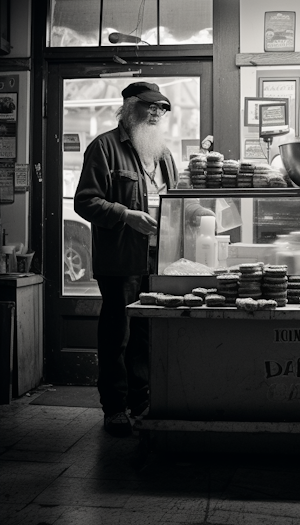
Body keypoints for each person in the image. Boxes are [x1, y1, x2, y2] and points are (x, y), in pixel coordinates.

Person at [74, 81, 178, 436]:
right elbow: (85, 202)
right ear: (129, 107)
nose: (156, 114)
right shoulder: (103, 147)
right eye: (149, 108)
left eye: (161, 109)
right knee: (118, 333)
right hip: (120, 259)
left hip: (158, 261)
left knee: (146, 335)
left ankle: (142, 400)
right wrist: (127, 214)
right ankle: (115, 407)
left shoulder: (163, 153)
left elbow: (175, 201)